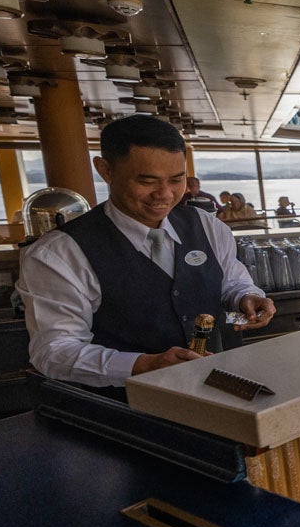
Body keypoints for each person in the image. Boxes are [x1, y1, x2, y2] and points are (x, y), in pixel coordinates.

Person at [16, 115, 275, 392]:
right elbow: (54, 352)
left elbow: (232, 281)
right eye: (147, 181)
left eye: (177, 180)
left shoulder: (206, 225)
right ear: (105, 170)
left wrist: (247, 297)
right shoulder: (59, 253)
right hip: (127, 410)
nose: (164, 194)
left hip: (222, 388)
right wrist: (141, 365)